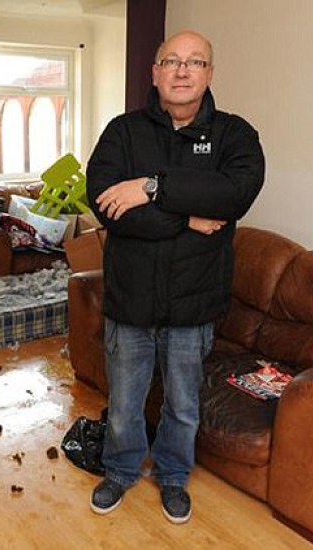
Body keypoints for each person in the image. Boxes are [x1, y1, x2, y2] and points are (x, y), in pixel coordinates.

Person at [85, 30, 265, 524]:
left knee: (183, 406)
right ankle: (120, 471)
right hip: (130, 300)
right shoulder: (123, 133)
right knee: (124, 403)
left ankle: (171, 476)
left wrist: (150, 187)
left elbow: (233, 196)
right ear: (155, 72)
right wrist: (186, 217)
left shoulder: (235, 136)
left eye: (195, 62)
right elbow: (107, 206)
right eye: (172, 61)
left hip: (194, 303)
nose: (183, 70)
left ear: (209, 73)